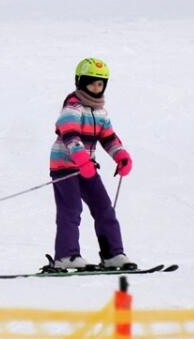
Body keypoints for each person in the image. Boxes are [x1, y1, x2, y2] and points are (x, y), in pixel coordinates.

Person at [48, 58, 134, 270]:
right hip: (65, 166)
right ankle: (66, 255)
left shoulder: (100, 111)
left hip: (86, 166)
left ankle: (113, 254)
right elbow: (69, 134)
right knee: (71, 208)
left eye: (100, 84)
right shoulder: (73, 106)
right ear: (80, 82)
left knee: (104, 208)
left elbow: (108, 137)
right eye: (91, 83)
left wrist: (121, 155)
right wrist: (80, 159)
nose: (96, 88)